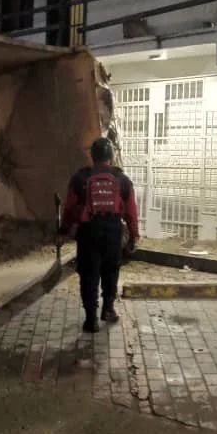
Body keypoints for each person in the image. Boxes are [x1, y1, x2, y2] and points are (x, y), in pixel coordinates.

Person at [61, 137, 139, 333]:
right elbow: (131, 212)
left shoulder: (80, 178)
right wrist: (134, 236)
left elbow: (69, 208)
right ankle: (108, 310)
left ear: (93, 156)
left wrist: (64, 230)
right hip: (113, 230)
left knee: (89, 274)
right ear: (111, 157)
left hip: (88, 231)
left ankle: (90, 319)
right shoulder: (122, 180)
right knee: (111, 271)